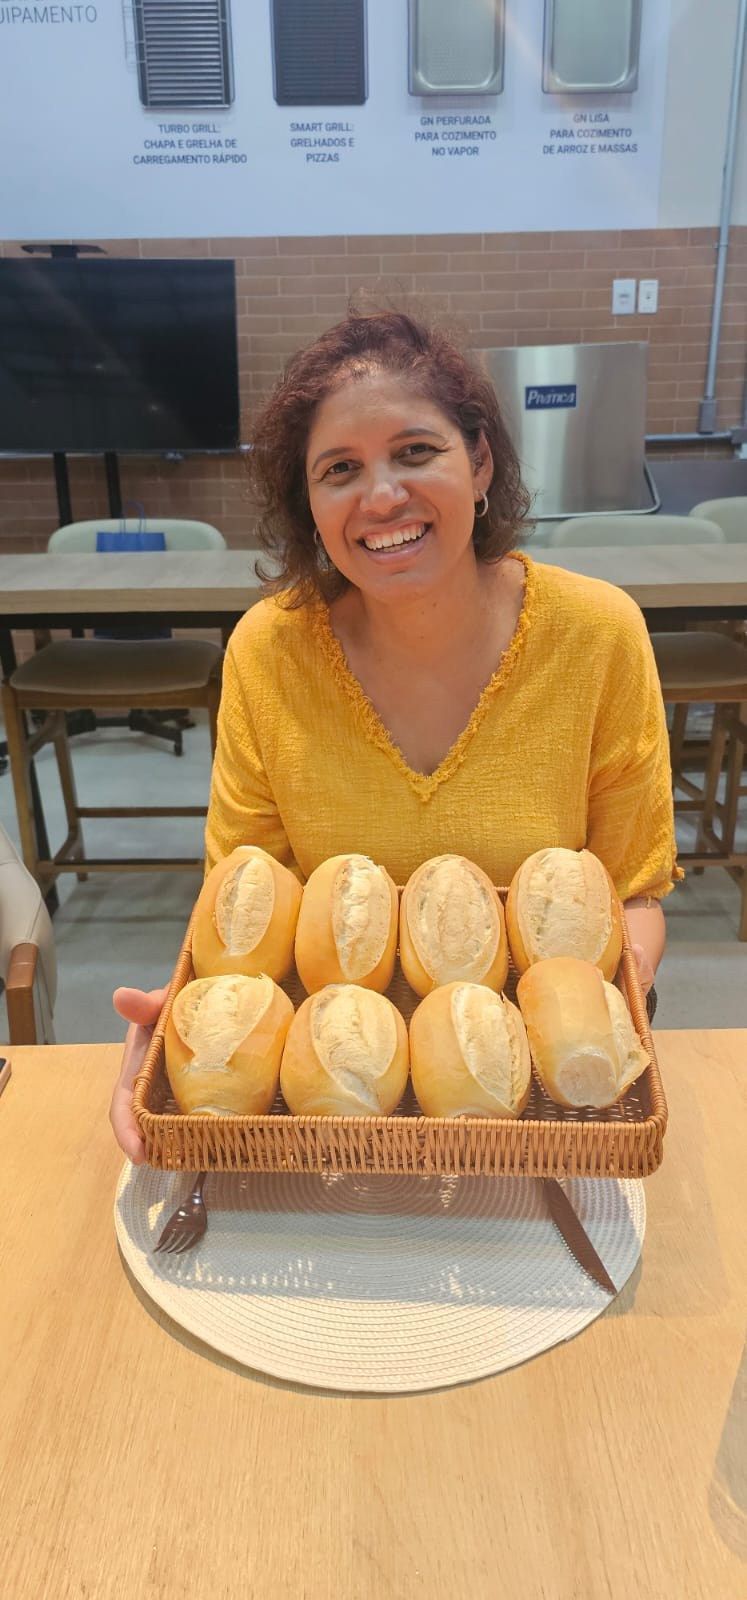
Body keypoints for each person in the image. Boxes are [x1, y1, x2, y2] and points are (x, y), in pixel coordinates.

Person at [110, 308, 681, 1162]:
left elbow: (633, 891)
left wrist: (595, 1023)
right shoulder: (269, 652)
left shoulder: (596, 635)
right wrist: (180, 1032)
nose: (382, 497)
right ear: (307, 503)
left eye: (416, 452)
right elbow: (246, 902)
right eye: (340, 470)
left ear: (479, 460)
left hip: (526, 1107)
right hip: (328, 1103)